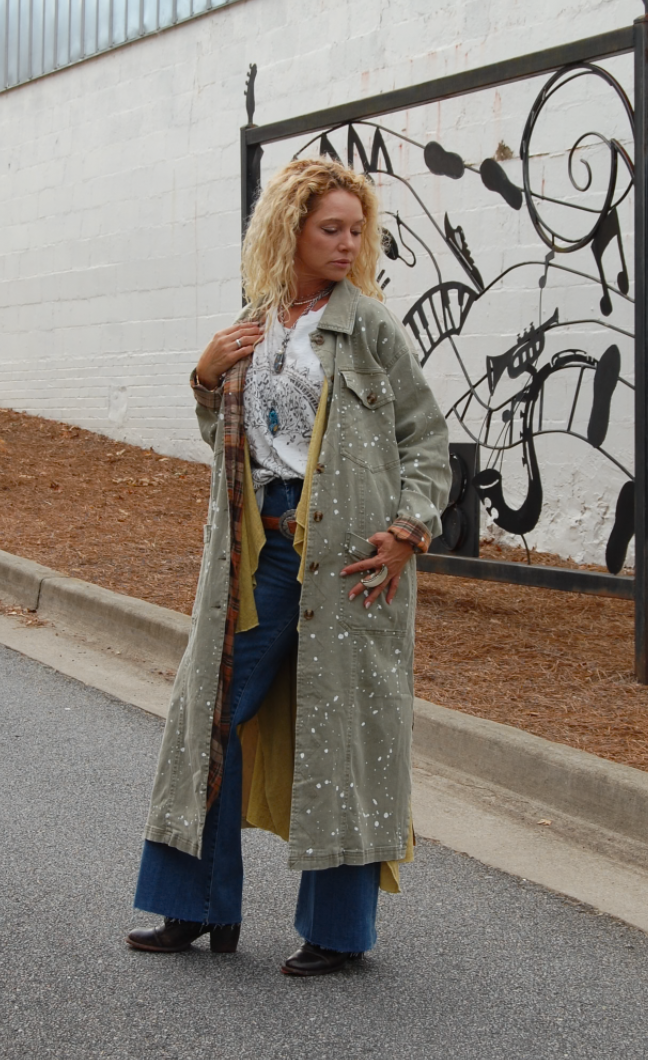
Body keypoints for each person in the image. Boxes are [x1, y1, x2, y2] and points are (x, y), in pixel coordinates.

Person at [127, 158, 451, 976]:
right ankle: (196, 907)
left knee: (345, 730)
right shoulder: (255, 322)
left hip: (350, 559)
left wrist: (409, 531)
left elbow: (426, 439)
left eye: (356, 230)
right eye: (329, 229)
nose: (347, 244)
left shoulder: (368, 326)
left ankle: (337, 934)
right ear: (290, 231)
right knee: (210, 713)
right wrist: (206, 377)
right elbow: (230, 446)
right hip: (260, 552)